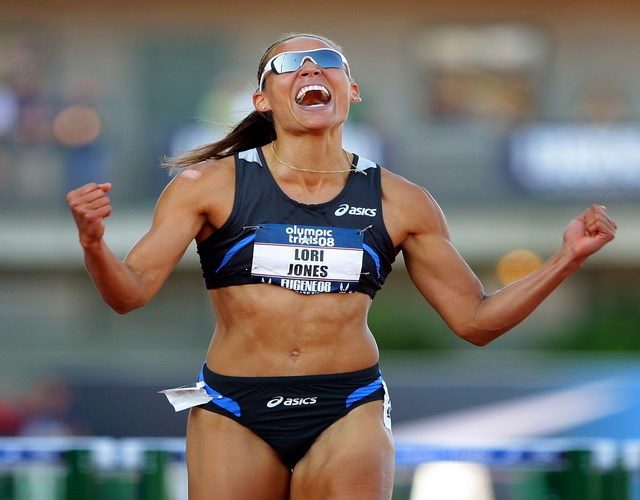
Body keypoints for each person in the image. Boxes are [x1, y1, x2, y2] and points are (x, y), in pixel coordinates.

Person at [66, 33, 617, 500]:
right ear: (262, 100)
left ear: (351, 91)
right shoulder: (209, 184)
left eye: (328, 61)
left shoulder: (402, 200)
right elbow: (130, 294)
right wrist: (94, 244)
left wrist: (565, 259)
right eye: (289, 64)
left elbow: (475, 321)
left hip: (346, 405)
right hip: (235, 406)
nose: (311, 68)